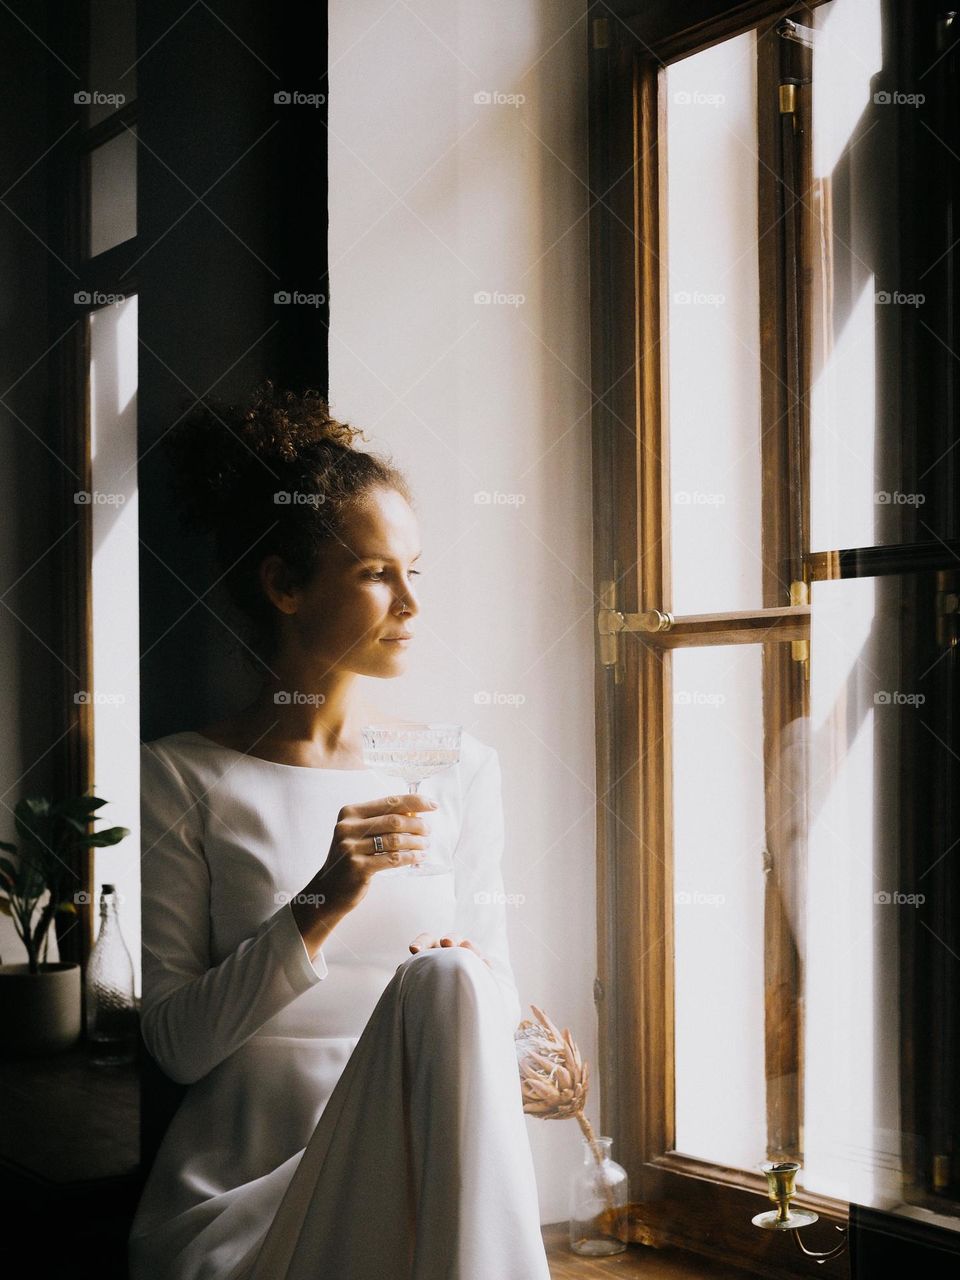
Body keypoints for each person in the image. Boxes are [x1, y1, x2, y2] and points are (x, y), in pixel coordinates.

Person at [127, 385, 551, 1280]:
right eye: (375, 574)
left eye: (415, 571)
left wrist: (489, 1008)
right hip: (249, 1206)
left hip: (418, 1188)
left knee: (450, 979)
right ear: (284, 585)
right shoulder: (180, 776)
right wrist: (319, 903)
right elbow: (175, 1046)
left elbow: (500, 1013)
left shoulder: (457, 767)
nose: (411, 603)